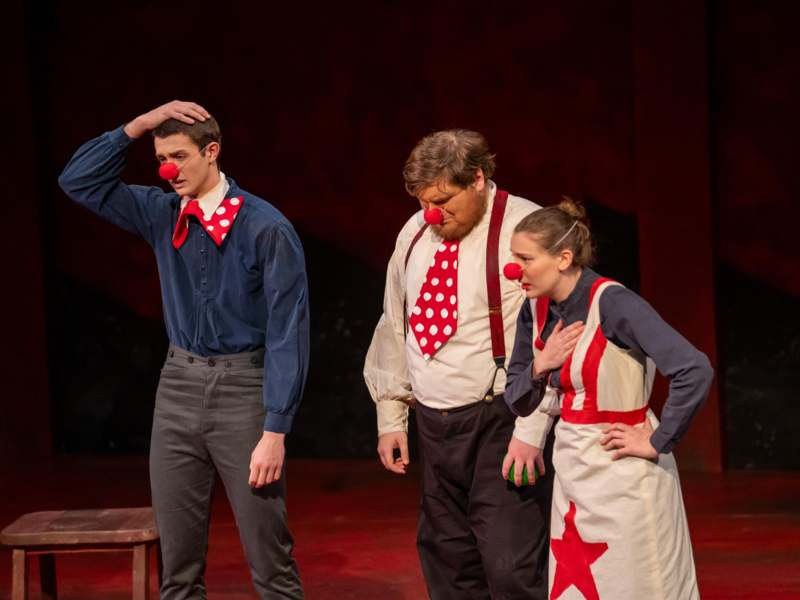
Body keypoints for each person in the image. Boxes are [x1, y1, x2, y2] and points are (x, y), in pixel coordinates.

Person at [58, 100, 307, 599]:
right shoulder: (160, 212)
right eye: (160, 158)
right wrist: (136, 126)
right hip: (177, 388)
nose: (168, 170)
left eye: (178, 156)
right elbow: (77, 181)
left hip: (243, 390)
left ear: (211, 152)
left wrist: (275, 428)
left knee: (269, 561)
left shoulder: (266, 227)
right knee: (177, 567)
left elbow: (289, 331)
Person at [364, 129, 555, 599]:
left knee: (511, 566)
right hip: (435, 425)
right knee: (448, 562)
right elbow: (396, 322)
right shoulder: (414, 232)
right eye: (426, 202)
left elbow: (558, 336)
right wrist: (392, 415)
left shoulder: (527, 229)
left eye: (445, 200)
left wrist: (532, 431)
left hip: (501, 422)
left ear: (477, 179)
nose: (434, 214)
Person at [504, 197, 713, 600]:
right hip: (573, 468)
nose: (515, 271)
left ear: (563, 258)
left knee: (636, 584)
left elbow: (694, 368)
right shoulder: (534, 309)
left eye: (526, 259)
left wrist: (657, 440)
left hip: (624, 473)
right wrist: (540, 365)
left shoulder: (614, 303)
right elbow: (517, 398)